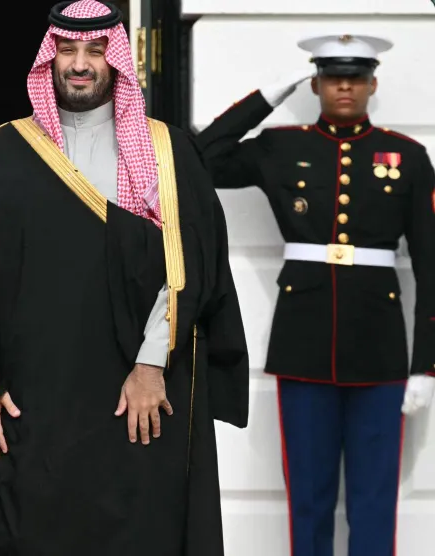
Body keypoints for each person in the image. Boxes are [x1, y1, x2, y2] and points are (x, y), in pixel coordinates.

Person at [0, 2, 250, 554]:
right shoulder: (4, 150)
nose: (80, 64)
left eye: (95, 51)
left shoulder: (166, 151)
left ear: (117, 60)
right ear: (49, 58)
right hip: (33, 400)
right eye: (67, 50)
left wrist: (150, 365)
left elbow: (190, 266)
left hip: (137, 394)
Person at [194, 34, 435, 556]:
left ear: (372, 84)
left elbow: (431, 266)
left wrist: (426, 365)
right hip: (303, 344)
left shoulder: (409, 157)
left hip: (380, 351)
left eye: (355, 77)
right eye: (332, 77)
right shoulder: (282, 147)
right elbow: (199, 158)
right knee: (308, 499)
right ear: (315, 84)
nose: (344, 86)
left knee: (374, 500)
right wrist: (267, 97)